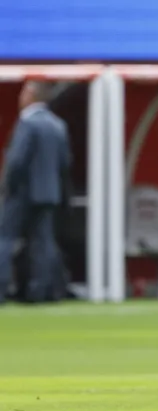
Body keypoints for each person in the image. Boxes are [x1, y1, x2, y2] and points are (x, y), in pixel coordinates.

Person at [0, 81, 71, 304]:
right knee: (44, 242)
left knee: (4, 239)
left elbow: (17, 161)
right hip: (49, 193)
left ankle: (1, 287)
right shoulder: (57, 124)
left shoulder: (28, 123)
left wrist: (7, 187)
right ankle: (42, 291)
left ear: (30, 95)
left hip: (22, 193)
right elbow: (64, 164)